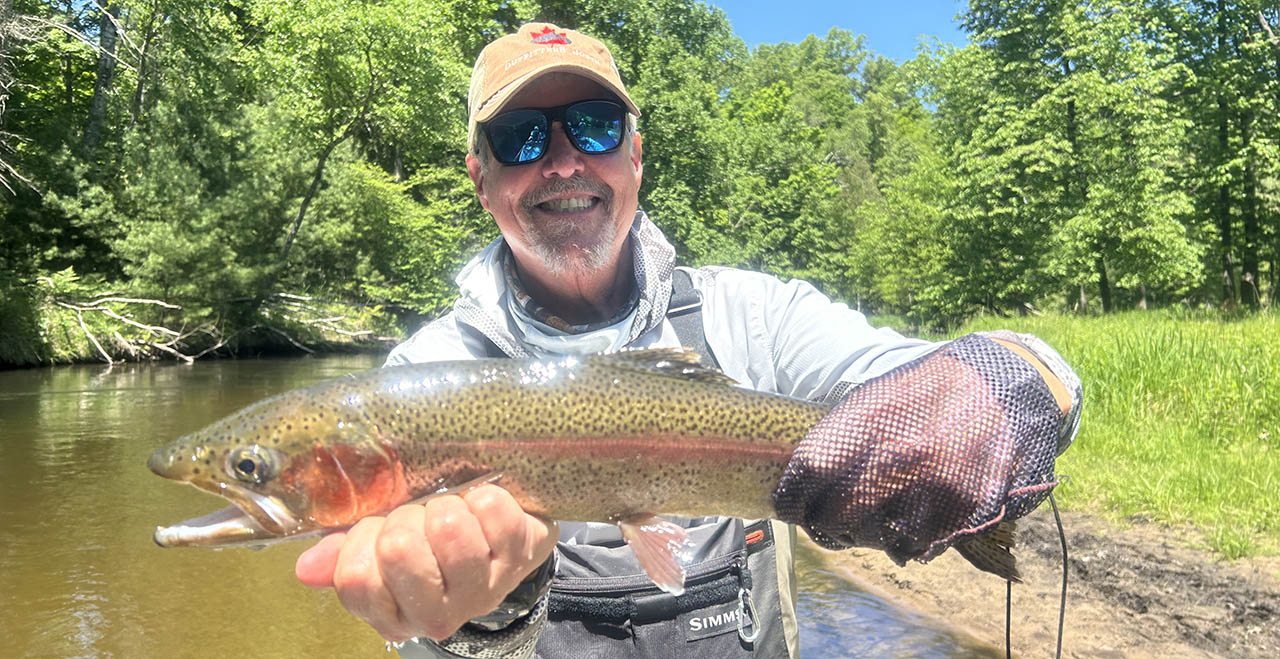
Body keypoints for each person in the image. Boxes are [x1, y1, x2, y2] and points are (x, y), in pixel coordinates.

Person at [293, 22, 1083, 658]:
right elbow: (410, 635)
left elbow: (1011, 371)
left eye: (596, 128)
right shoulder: (421, 381)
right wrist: (488, 623)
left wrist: (1007, 386)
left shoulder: (755, 315)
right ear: (481, 177)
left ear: (634, 153)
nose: (564, 162)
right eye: (524, 138)